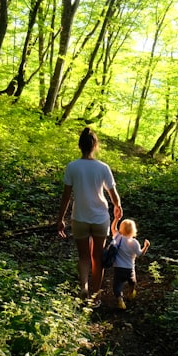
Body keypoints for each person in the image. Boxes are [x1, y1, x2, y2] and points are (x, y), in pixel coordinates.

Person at [57, 127, 122, 301]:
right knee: (97, 257)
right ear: (95, 146)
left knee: (84, 256)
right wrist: (118, 207)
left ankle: (83, 286)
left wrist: (60, 218)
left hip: (80, 218)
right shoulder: (103, 167)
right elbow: (114, 195)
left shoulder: (72, 167)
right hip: (100, 218)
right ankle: (95, 294)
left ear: (80, 146)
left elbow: (66, 196)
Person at [108, 211, 150, 310]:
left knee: (117, 285)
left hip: (118, 268)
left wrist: (116, 219)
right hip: (130, 269)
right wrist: (146, 247)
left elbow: (113, 228)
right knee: (132, 282)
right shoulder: (134, 242)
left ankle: (120, 299)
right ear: (133, 230)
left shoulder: (118, 238)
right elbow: (140, 254)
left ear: (121, 229)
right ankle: (131, 293)